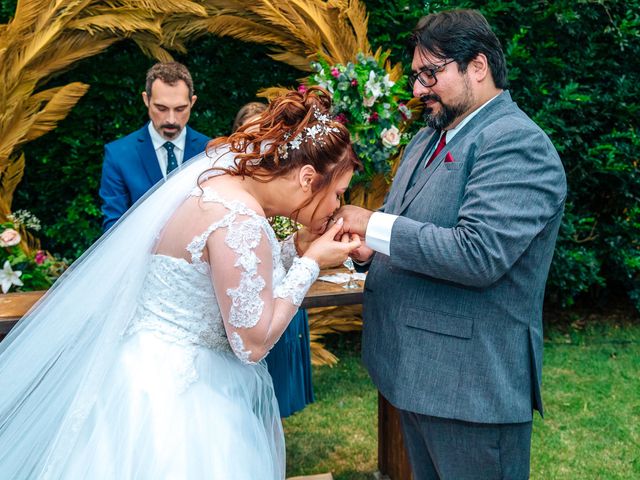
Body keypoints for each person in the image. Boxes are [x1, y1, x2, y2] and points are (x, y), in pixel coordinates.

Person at [0, 87, 361, 479]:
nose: (336, 207)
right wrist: (309, 264)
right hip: (187, 401)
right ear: (308, 178)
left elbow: (223, 275)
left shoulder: (217, 187)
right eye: (337, 193)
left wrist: (293, 247)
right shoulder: (241, 220)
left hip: (137, 376)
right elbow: (252, 343)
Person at [336, 9, 567, 479]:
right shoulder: (429, 136)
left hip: (472, 392)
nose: (418, 89)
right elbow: (414, 228)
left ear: (477, 67)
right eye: (418, 75)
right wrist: (371, 248)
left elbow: (478, 254)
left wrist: (372, 224)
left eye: (430, 74)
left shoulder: (517, 143)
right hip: (417, 376)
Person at [233, 101, 315, 418]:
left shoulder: (290, 187)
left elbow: (273, 253)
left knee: (277, 397)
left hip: (282, 299)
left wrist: (298, 243)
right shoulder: (236, 200)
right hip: (248, 311)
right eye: (253, 139)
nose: (261, 149)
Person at [100, 61, 210, 230]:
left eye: (180, 109)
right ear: (146, 99)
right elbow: (113, 226)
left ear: (192, 102)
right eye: (161, 108)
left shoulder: (210, 151)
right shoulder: (118, 155)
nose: (171, 119)